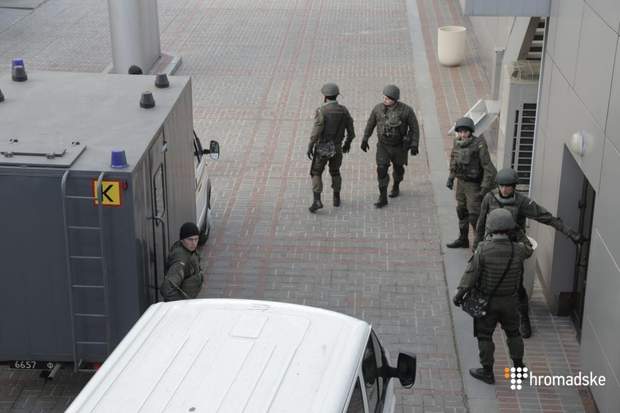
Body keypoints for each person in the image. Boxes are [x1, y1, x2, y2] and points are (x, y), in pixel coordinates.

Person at [474, 167, 585, 338]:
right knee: (486, 281)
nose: (504, 189)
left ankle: (523, 319)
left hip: (513, 249)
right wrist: (476, 247)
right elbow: (481, 223)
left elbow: (545, 217)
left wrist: (570, 233)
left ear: (514, 186)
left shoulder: (522, 202)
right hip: (492, 246)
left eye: (508, 186)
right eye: (501, 185)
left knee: (517, 287)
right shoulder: (489, 198)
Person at [453, 209, 533, 384]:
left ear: (490, 228)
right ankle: (518, 368)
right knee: (513, 333)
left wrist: (459, 295)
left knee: (484, 335)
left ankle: (487, 372)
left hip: (487, 302)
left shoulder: (483, 250)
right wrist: (518, 230)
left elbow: (470, 275)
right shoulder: (519, 250)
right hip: (510, 301)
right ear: (509, 229)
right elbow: (529, 247)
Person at [361, 85, 420, 208]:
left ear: (395, 99)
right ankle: (382, 197)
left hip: (399, 147)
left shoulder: (406, 111)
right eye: (384, 97)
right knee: (381, 170)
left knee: (398, 169)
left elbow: (414, 128)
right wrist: (365, 139)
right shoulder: (378, 109)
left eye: (388, 98)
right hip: (383, 146)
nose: (385, 100)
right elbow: (370, 124)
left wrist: (414, 144)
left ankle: (396, 185)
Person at [446, 117, 496, 248]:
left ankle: (478, 243)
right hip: (461, 183)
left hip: (474, 185)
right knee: (461, 211)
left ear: (470, 131)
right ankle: (463, 239)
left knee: (475, 215)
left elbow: (488, 168)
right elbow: (454, 159)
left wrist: (484, 188)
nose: (463, 135)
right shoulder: (457, 142)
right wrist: (451, 177)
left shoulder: (479, 145)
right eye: (460, 132)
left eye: (465, 132)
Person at [307, 83, 355, 213]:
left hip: (322, 148)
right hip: (337, 147)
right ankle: (336, 198)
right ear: (337, 95)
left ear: (325, 97)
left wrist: (310, 145)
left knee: (316, 172)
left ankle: (317, 200)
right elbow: (351, 131)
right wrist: (347, 143)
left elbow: (316, 132)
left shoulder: (321, 111)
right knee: (335, 171)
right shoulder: (344, 110)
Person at [160, 222, 205, 301]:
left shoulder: (188, 249)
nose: (194, 243)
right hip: (181, 305)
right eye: (190, 239)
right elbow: (167, 289)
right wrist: (182, 302)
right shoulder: (180, 262)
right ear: (182, 240)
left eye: (196, 239)